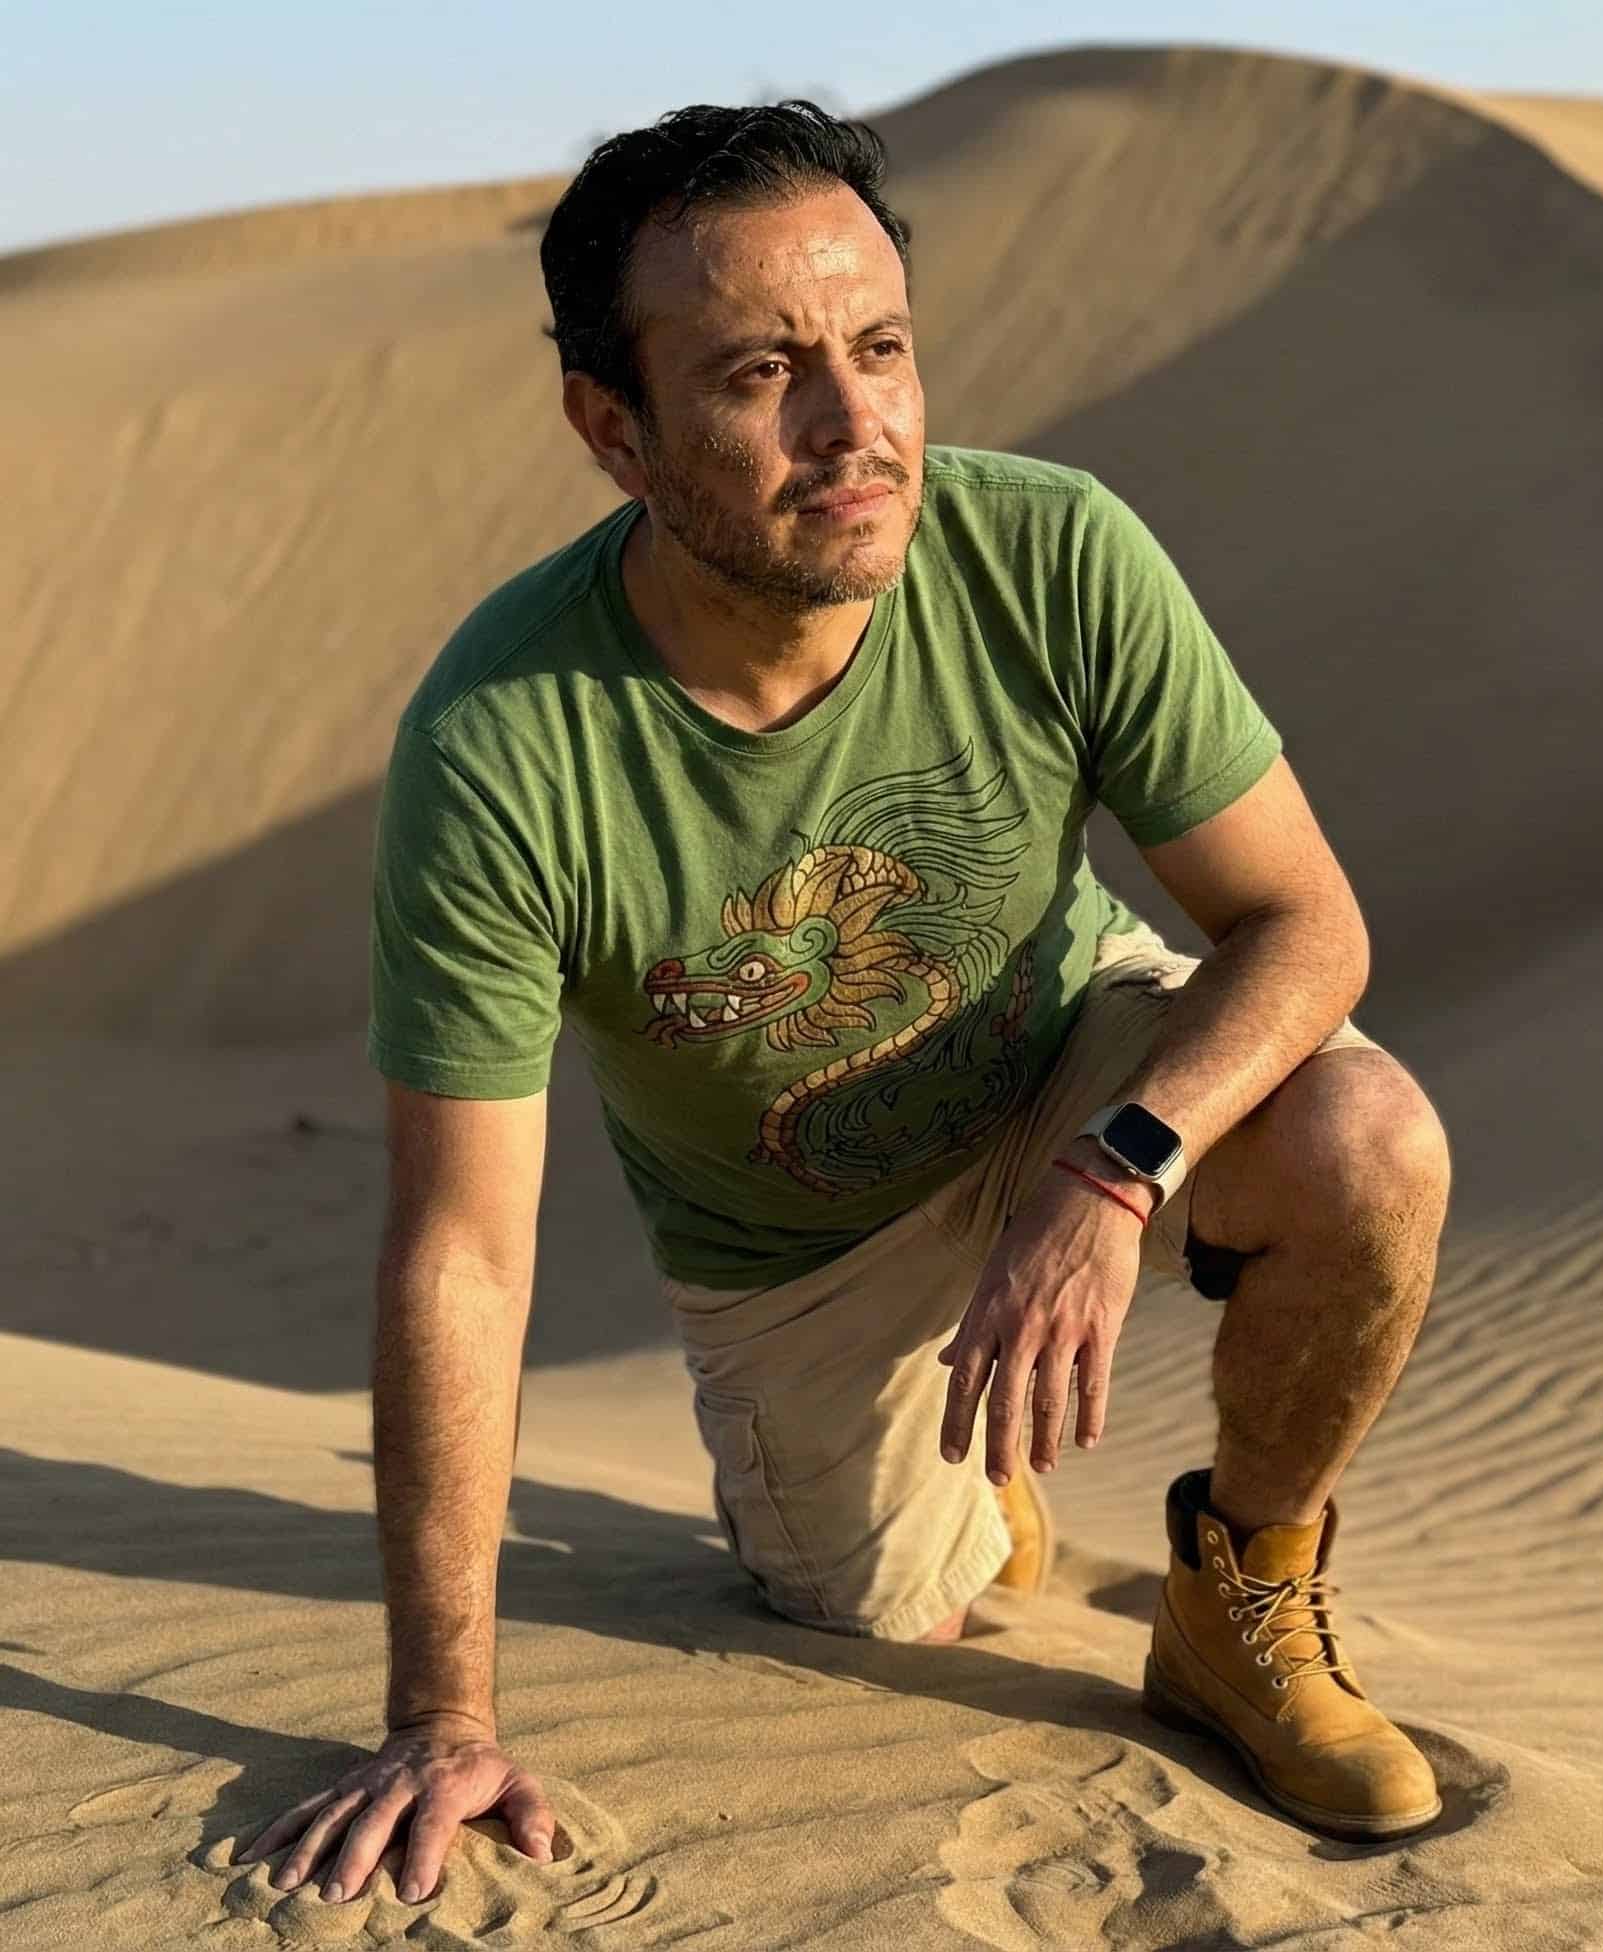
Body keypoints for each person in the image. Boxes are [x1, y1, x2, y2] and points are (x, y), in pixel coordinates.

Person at [239, 100, 1453, 1907]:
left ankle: (1241, 1592)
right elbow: (464, 1257)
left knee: (1369, 1141)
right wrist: (441, 1712)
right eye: (761, 375)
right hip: (797, 1253)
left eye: (881, 348)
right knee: (906, 1613)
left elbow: (1305, 923)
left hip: (1070, 1069)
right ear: (614, 431)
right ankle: (939, 1492)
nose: (855, 423)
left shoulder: (1051, 553)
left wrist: (1116, 1171)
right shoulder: (504, 747)